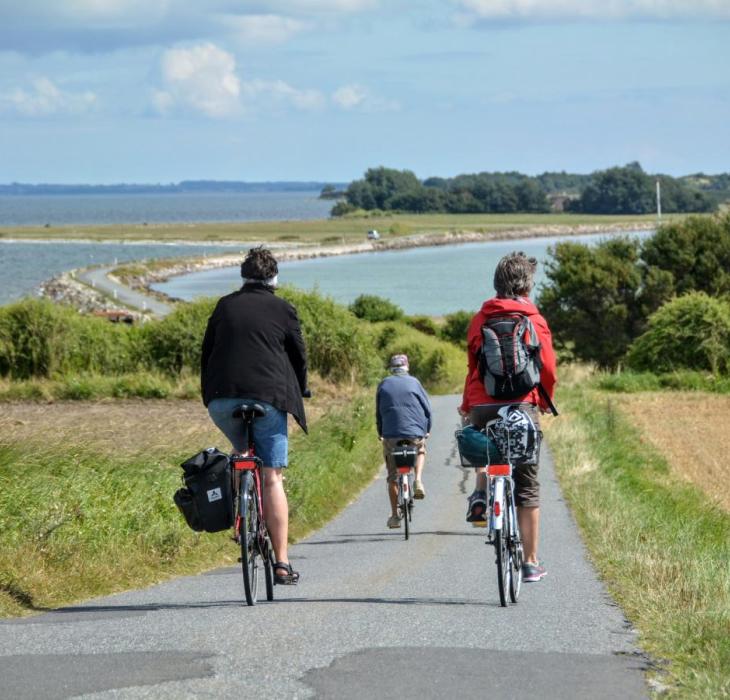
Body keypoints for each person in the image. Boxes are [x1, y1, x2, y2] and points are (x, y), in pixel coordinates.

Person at [200, 246, 308, 585]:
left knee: (241, 450)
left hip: (222, 398)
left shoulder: (223, 306)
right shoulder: (283, 308)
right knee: (272, 476)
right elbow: (298, 355)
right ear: (274, 278)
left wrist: (213, 392)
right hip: (269, 397)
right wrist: (302, 388)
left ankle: (240, 516)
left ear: (243, 277)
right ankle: (282, 563)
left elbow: (207, 354)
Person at [459, 251, 557, 582]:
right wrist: (544, 401)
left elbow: (474, 368)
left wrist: (468, 406)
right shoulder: (535, 319)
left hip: (483, 406)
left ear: (496, 284)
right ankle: (530, 562)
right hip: (523, 407)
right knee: (527, 485)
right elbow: (547, 369)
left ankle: (483, 493)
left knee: (486, 448)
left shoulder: (480, 319)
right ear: (527, 285)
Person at [376, 354, 432, 529]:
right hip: (414, 432)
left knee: (392, 477)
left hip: (391, 434)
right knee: (421, 448)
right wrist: (426, 430)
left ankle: (394, 516)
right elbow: (427, 410)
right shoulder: (415, 382)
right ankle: (418, 480)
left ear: (391, 368)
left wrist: (381, 432)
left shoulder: (383, 384)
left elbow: (379, 413)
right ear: (406, 367)